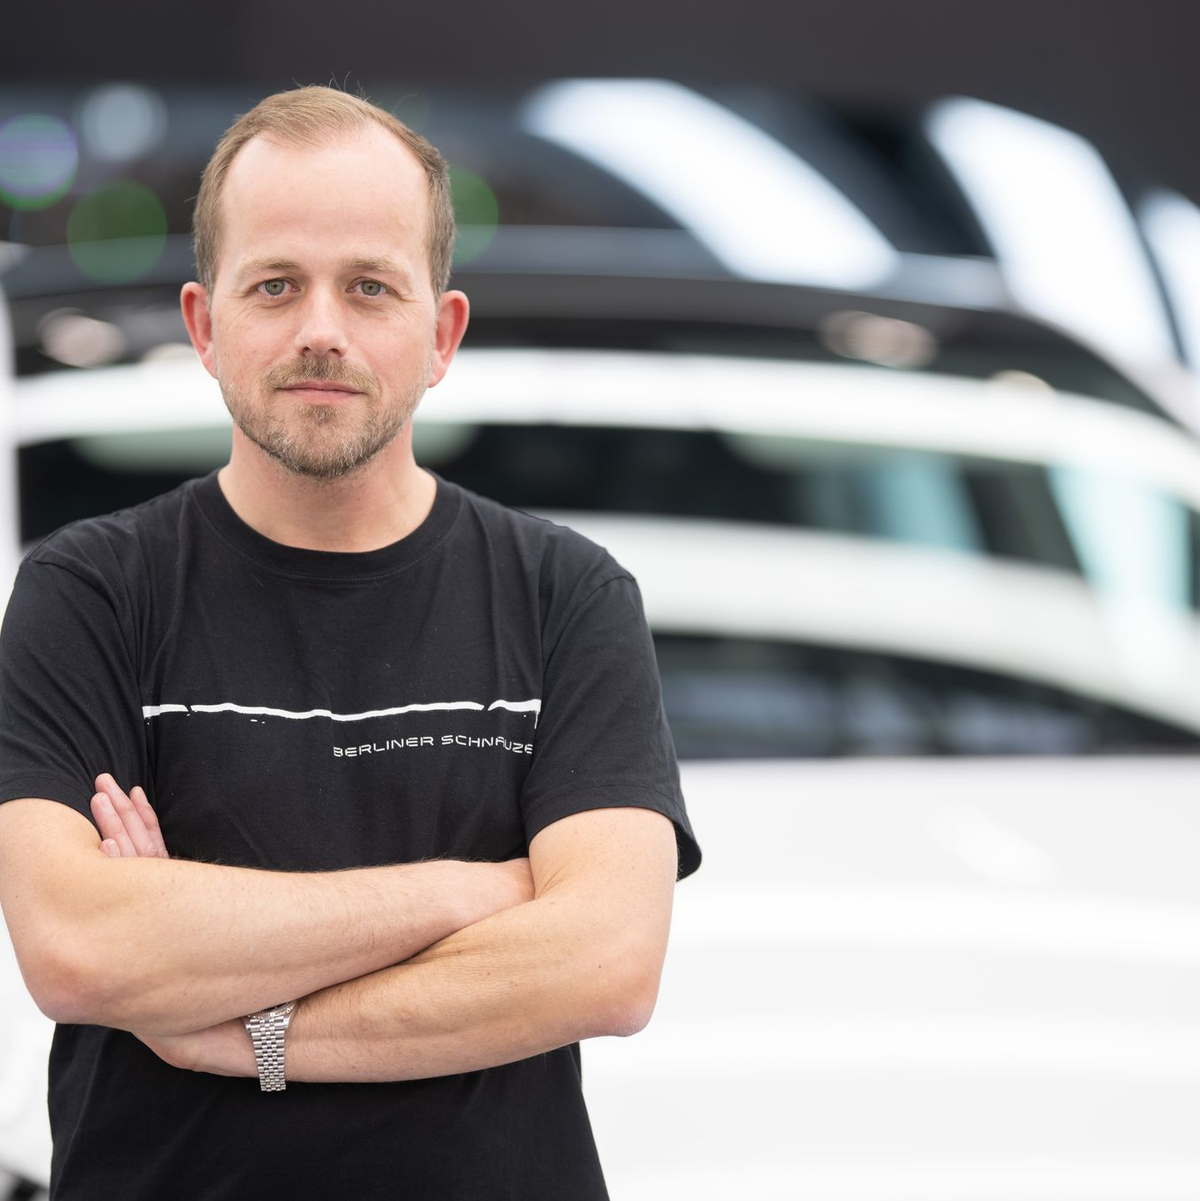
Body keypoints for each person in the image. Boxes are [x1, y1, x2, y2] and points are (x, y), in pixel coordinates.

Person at [0, 86, 701, 1200]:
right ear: (204, 324)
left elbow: (606, 962)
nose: (321, 327)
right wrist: (472, 892)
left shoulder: (566, 595)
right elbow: (80, 948)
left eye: (370, 286)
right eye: (275, 284)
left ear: (440, 334)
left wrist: (231, 1026)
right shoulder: (88, 593)